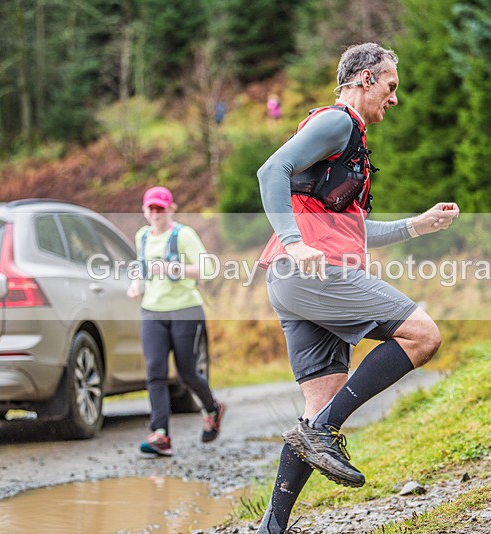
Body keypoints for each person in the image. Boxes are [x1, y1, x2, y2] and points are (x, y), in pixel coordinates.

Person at [255, 43, 460, 532]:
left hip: (297, 279)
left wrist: (416, 225)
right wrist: (293, 242)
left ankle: (271, 526)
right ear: (366, 78)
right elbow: (270, 172)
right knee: (423, 335)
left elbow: (350, 228)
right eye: (390, 87)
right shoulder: (338, 121)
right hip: (309, 270)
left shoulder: (349, 142)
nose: (394, 99)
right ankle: (325, 431)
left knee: (317, 405)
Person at [127, 186, 224, 456]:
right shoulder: (142, 236)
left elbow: (206, 267)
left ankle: (212, 408)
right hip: (152, 311)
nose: (156, 213)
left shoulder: (183, 235)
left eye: (161, 208)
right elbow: (140, 266)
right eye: (151, 209)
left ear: (171, 209)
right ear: (145, 211)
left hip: (185, 309)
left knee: (186, 372)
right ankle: (161, 434)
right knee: (155, 372)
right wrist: (136, 286)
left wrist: (174, 268)